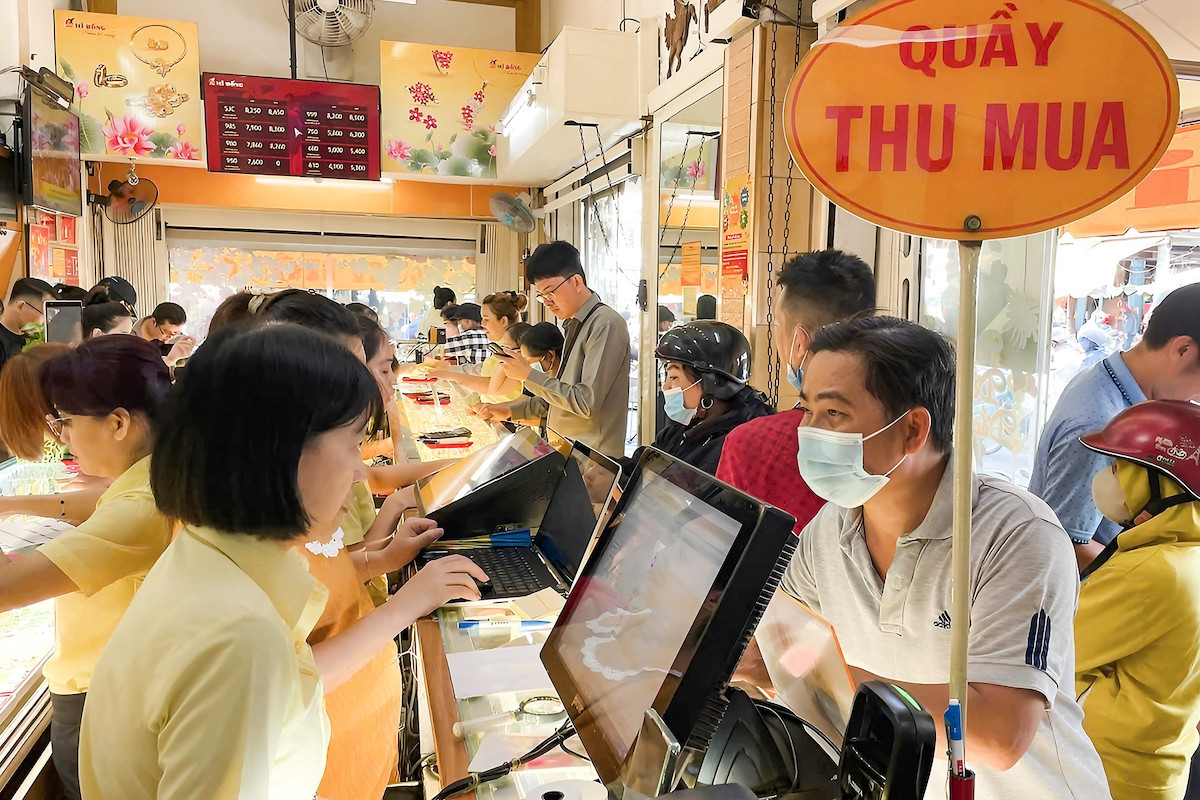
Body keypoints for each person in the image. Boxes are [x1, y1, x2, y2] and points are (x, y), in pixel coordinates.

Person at [77, 324, 486, 800]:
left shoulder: (212, 560)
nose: (360, 471)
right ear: (282, 452)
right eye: (353, 443)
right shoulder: (238, 637)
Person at [766, 316, 1109, 800]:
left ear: (912, 429)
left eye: (834, 414)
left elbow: (997, 731)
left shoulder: (1015, 535)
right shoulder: (831, 529)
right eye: (807, 412)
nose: (810, 433)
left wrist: (802, 675)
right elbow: (785, 644)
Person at [0, 336, 173, 800]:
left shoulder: (143, 506)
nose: (66, 439)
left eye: (68, 423)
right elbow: (100, 502)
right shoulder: (160, 474)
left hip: (98, 694)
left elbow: (5, 587)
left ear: (118, 422)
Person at [1074, 401, 1200, 800]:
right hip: (1157, 769)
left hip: (1109, 775)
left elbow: (1056, 653)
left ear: (1162, 485)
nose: (1106, 478)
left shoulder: (1148, 572)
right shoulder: (1186, 554)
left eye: (1119, 468)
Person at [1030, 283, 1200, 571]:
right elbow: (1065, 545)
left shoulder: (1111, 380)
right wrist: (1150, 576)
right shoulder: (1099, 425)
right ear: (1183, 349)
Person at [716, 249, 876, 534]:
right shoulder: (895, 437)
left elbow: (722, 557)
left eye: (777, 326)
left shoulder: (751, 446)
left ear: (800, 343)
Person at [478, 242, 631, 459]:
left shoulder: (605, 323)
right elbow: (558, 397)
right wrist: (509, 411)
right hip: (567, 452)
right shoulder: (574, 324)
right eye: (541, 295)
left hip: (592, 460)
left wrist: (528, 375)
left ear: (576, 281)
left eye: (550, 292)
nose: (547, 301)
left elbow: (585, 402)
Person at [620, 321, 772, 482]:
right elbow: (639, 466)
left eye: (674, 377)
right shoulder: (678, 433)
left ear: (712, 385)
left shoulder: (731, 448)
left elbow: (679, 496)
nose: (666, 386)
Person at [0, 277, 53, 371]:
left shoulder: (31, 341)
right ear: (21, 306)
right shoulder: (2, 342)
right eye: (43, 313)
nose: (45, 321)